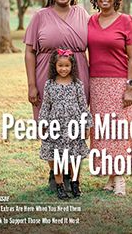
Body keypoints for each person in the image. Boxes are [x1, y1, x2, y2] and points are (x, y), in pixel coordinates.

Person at [24, 0, 90, 190]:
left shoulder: (82, 14)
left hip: (78, 75)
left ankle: (72, 177)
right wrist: (32, 85)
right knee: (49, 126)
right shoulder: (40, 16)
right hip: (46, 76)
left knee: (75, 126)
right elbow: (29, 52)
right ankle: (55, 174)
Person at [88, 0, 132, 196]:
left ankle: (119, 179)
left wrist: (129, 87)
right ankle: (110, 176)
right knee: (101, 131)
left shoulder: (126, 20)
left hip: (118, 84)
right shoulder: (90, 21)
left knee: (118, 131)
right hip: (96, 84)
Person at [38, 48, 92, 199]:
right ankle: (60, 185)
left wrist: (87, 125)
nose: (63, 69)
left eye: (66, 65)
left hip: (73, 127)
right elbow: (45, 106)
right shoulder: (49, 84)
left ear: (72, 66)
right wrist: (43, 124)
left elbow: (83, 106)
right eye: (60, 65)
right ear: (54, 66)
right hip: (55, 127)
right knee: (55, 157)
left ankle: (75, 184)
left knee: (74, 157)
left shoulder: (77, 84)